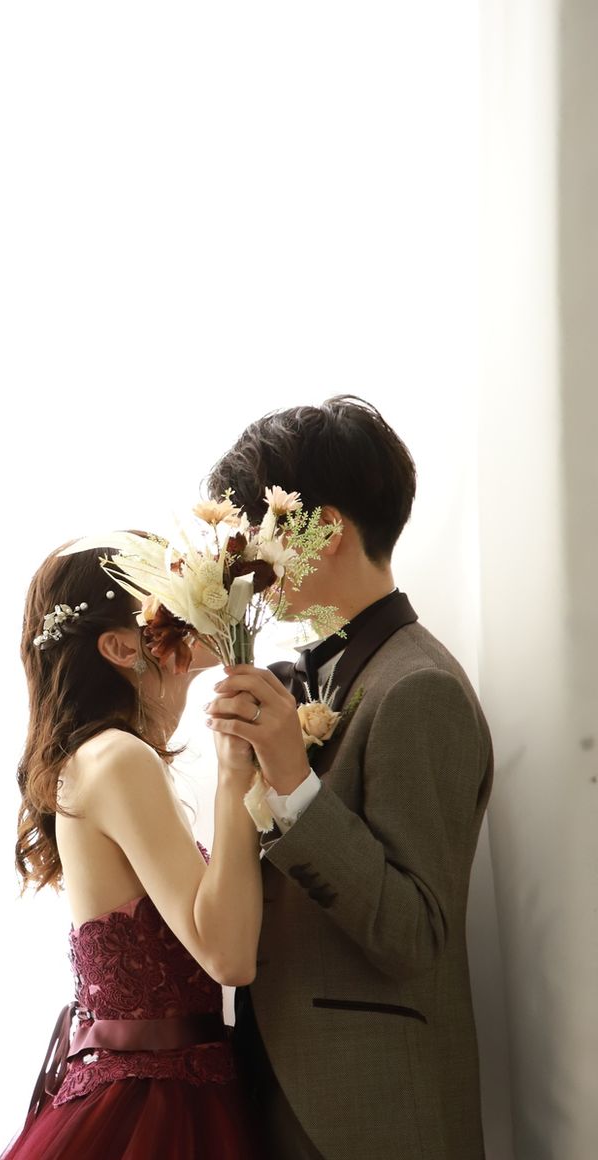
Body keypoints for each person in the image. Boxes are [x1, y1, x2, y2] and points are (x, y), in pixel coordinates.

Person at [204, 396, 492, 1160]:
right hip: (273, 1095)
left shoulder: (418, 686)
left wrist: (294, 781)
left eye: (258, 528)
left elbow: (415, 934)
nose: (243, 559)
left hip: (373, 1115)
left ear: (325, 528)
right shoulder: (303, 678)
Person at [1, 542, 263, 1159]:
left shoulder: (92, 757)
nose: (196, 598)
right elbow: (228, 957)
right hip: (156, 1107)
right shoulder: (119, 757)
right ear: (122, 647)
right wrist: (235, 772)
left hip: (150, 1088)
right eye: (170, 599)